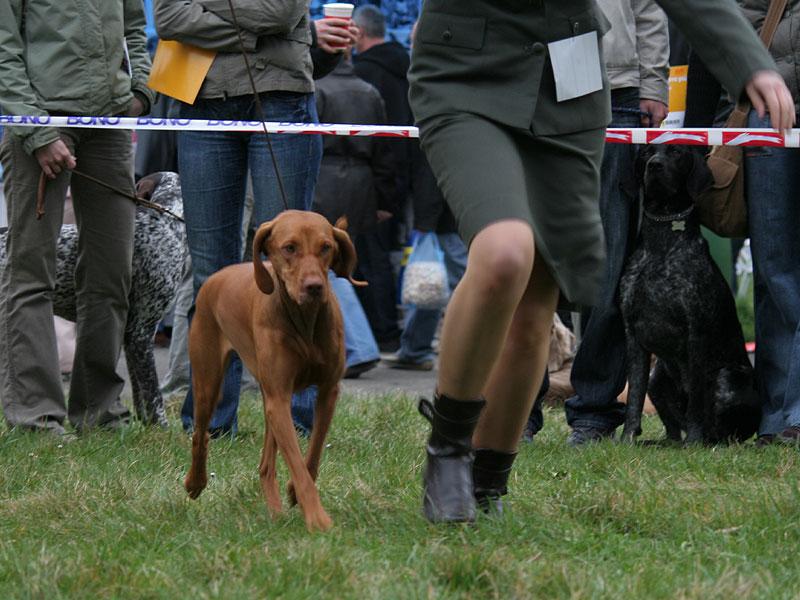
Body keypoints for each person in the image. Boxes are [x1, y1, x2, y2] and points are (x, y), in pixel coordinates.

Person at [408, 0, 795, 523]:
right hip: (467, 74)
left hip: (570, 89)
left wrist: (751, 61)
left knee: (539, 300)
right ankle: (449, 448)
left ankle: (487, 484)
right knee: (504, 253)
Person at [0, 0, 155, 434]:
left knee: (111, 272)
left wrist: (140, 91)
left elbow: (135, 29)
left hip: (108, 124)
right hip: (42, 122)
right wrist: (35, 130)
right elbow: (3, 47)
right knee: (31, 273)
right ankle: (35, 416)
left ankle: (100, 412)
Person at [563, 0, 671, 445]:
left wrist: (655, 85)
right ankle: (519, 414)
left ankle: (593, 412)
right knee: (530, 262)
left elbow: (649, 12)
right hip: (532, 91)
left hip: (618, 94)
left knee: (607, 270)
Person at [739, 0, 800, 445]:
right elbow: (741, 15)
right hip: (771, 113)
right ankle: (775, 416)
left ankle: (793, 413)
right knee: (773, 266)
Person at [352, 4, 413, 352]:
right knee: (386, 260)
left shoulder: (362, 74)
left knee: (369, 260)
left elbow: (372, 141)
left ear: (358, 33)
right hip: (403, 180)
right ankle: (388, 331)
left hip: (370, 183)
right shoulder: (405, 69)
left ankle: (379, 334)